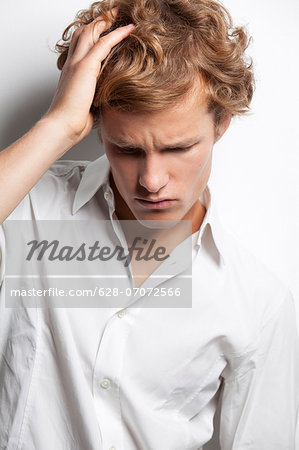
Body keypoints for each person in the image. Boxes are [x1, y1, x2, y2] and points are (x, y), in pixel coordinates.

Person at [0, 0, 298, 448]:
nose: (151, 181)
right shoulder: (31, 207)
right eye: (127, 149)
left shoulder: (257, 303)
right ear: (96, 127)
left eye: (178, 148)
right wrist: (58, 124)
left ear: (222, 124)